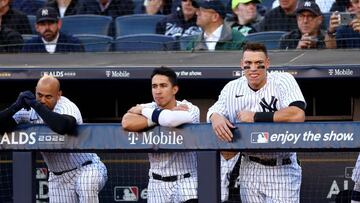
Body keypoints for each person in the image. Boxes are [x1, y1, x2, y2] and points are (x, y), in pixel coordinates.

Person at [207, 42, 306, 202]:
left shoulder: (283, 80)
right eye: (248, 64)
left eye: (259, 64)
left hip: (282, 165)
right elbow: (214, 110)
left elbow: (297, 114)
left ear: (267, 63)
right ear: (242, 65)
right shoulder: (232, 87)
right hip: (250, 165)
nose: (253, 69)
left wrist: (255, 117)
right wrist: (215, 116)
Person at [0, 75, 107, 202]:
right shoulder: (29, 110)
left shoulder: (66, 105)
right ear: (35, 91)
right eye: (39, 95)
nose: (43, 100)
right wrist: (15, 107)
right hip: (58, 177)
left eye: (48, 96)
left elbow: (62, 126)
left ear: (58, 94)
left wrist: (36, 104)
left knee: (86, 185)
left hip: (87, 168)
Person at [121, 66, 200, 203]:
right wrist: (157, 118)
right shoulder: (147, 107)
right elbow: (126, 122)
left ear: (174, 89)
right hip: (156, 183)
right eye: (154, 86)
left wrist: (148, 115)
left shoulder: (189, 108)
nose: (158, 91)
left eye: (163, 86)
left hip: (187, 180)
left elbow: (170, 120)